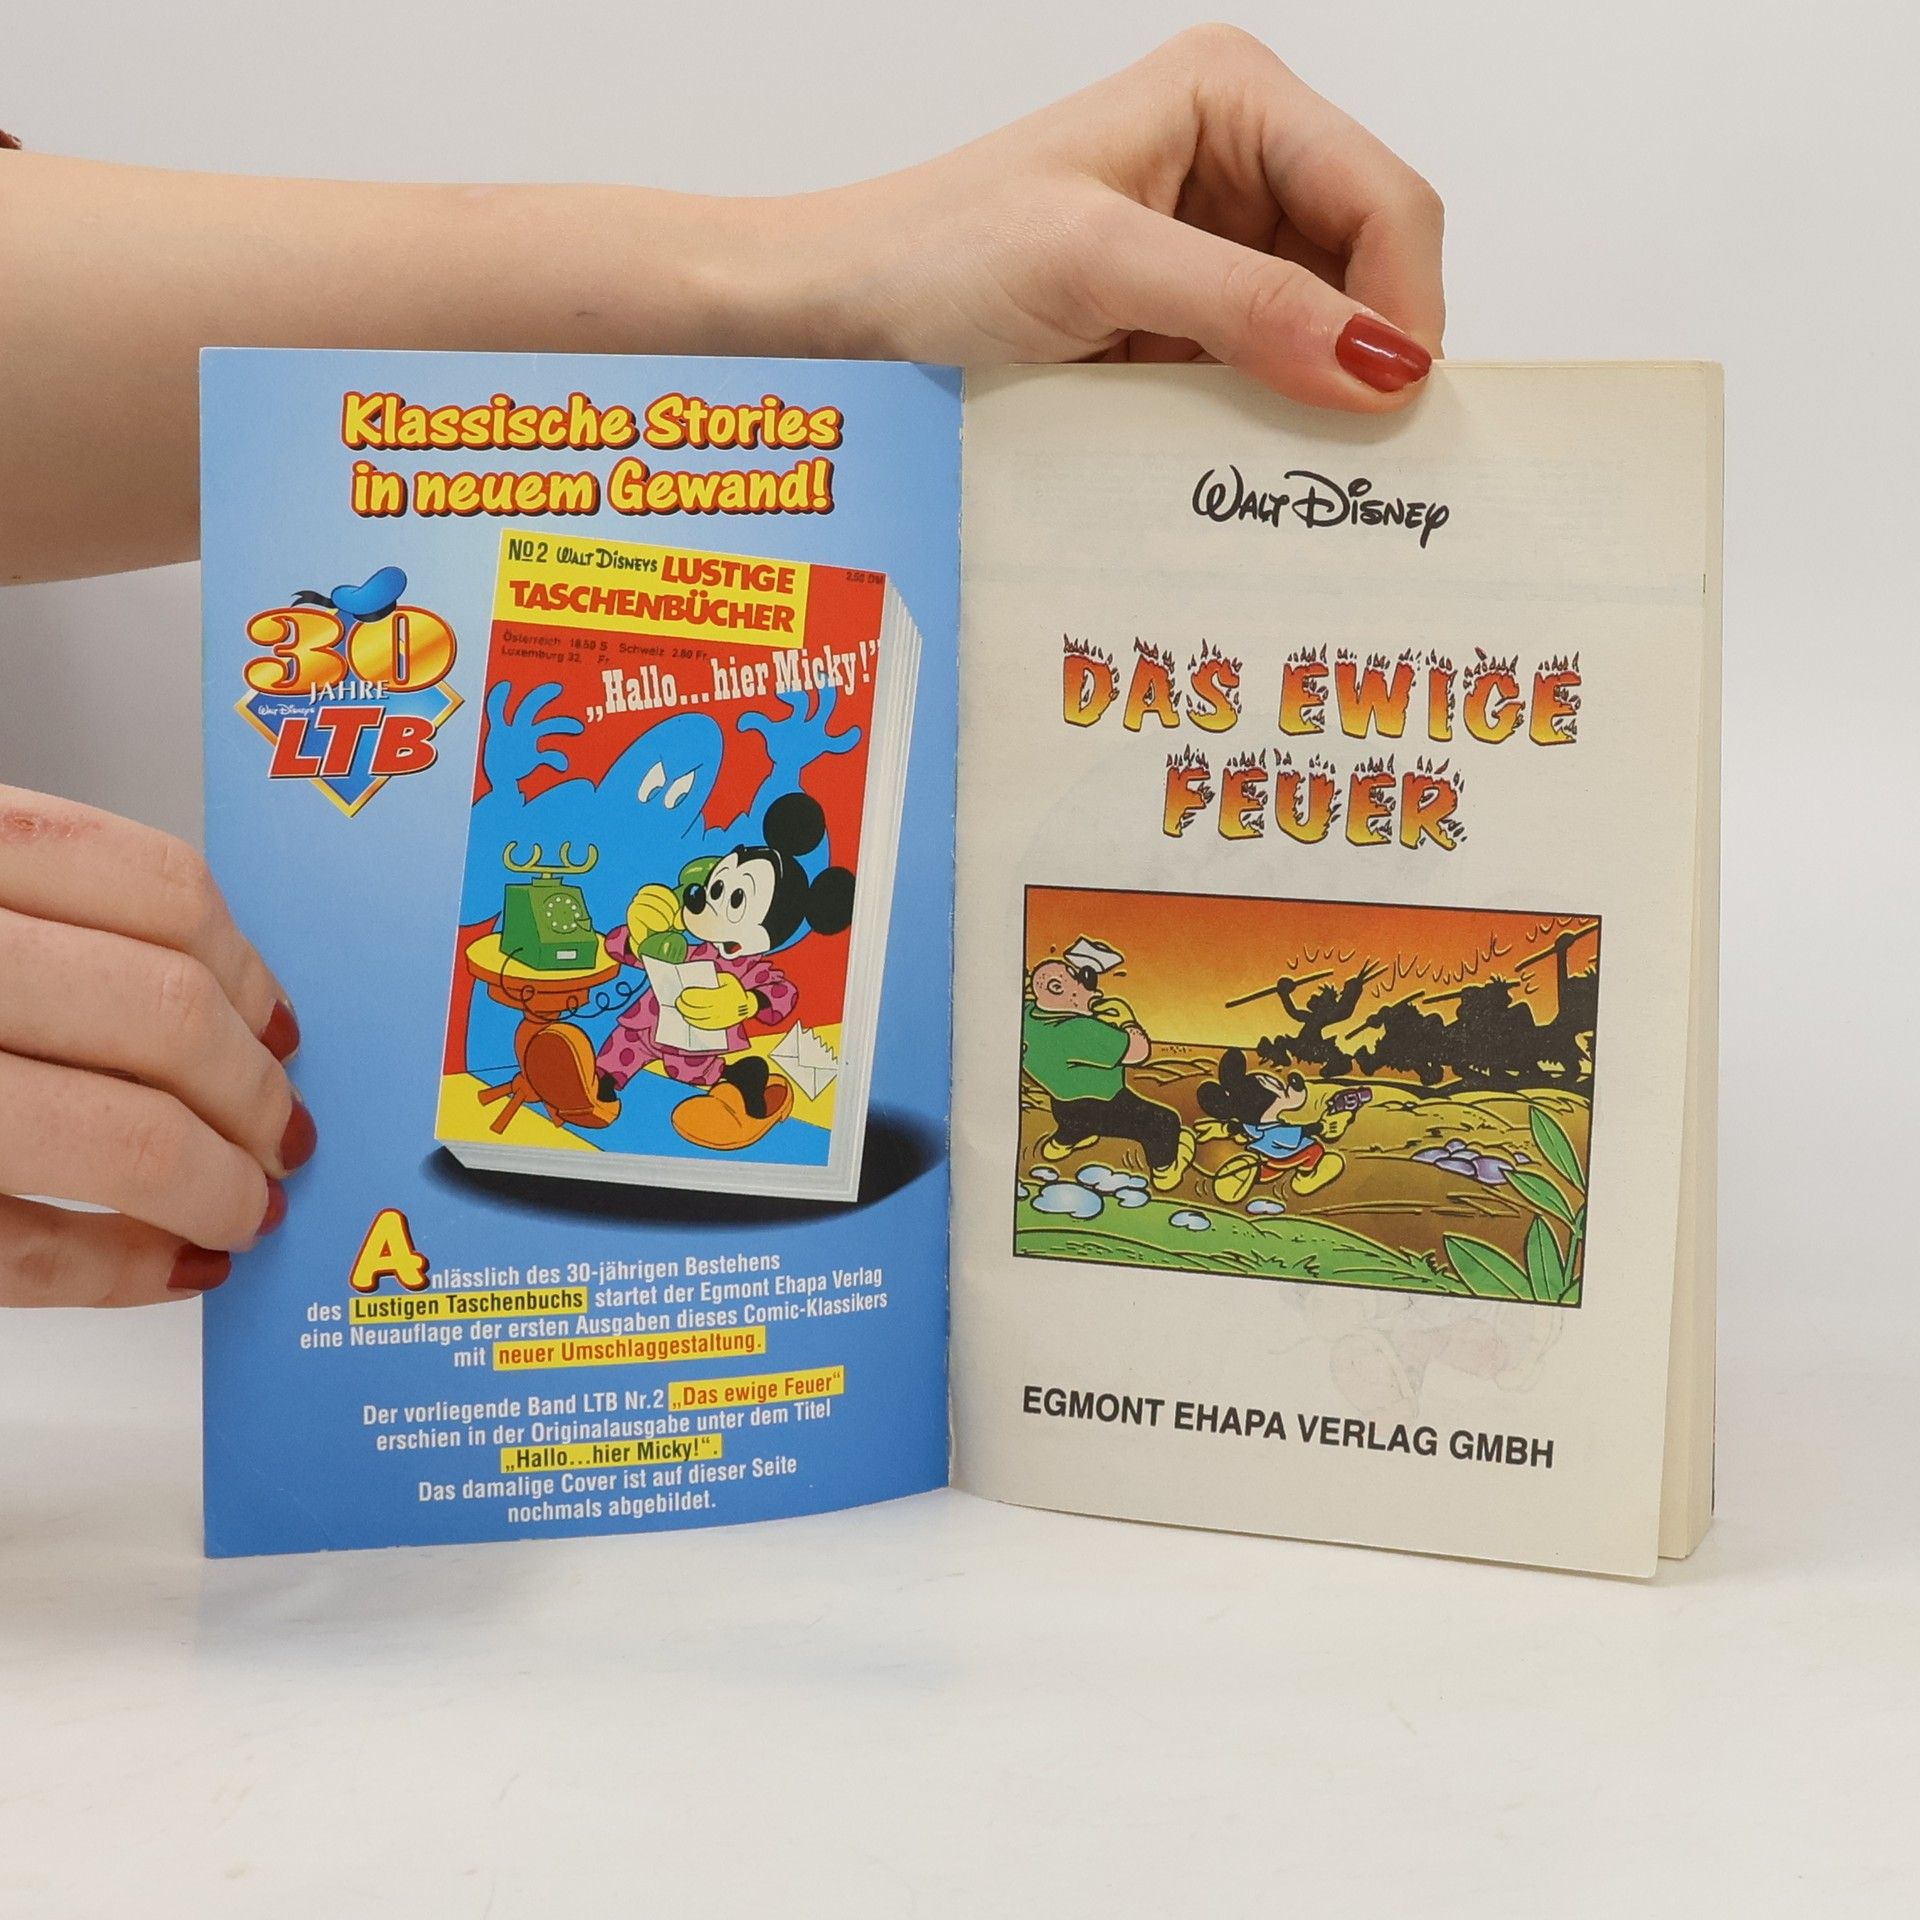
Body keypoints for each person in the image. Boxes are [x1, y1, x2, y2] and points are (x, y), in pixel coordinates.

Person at [0, 25, 1444, 1305]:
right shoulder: (680, 926)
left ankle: (726, 1108)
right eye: (720, 890)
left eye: (735, 892)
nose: (721, 899)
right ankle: (601, 1093)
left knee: (754, 1058)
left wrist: (813, 286)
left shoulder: (769, 962)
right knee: (631, 1036)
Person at [1022, 959, 1195, 1192]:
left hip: (1063, 1106)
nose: (1090, 986)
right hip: (1103, 1105)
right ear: (1056, 988)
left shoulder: (1027, 1016)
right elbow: (1138, 1052)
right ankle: (1165, 1172)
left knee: (1073, 1122)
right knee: (1164, 1122)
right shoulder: (1079, 1030)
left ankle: (1060, 1143)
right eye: (1079, 979)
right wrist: (1126, 1020)